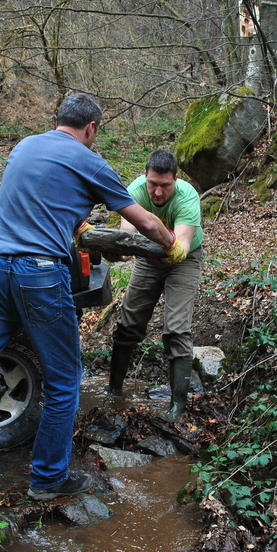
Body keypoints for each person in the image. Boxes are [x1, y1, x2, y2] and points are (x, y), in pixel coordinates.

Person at [0, 94, 185, 514]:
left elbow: (38, 198)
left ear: (58, 120)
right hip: (38, 274)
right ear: (91, 127)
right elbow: (146, 221)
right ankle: (47, 479)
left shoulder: (24, 146)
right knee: (64, 380)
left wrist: (75, 223)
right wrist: (172, 247)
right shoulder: (88, 160)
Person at [107, 149, 203, 422]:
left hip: (184, 259)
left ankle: (176, 408)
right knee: (128, 322)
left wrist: (158, 238)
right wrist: (118, 252)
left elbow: (181, 247)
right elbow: (127, 235)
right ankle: (113, 390)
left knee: (176, 329)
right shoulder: (135, 191)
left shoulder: (187, 197)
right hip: (148, 256)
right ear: (145, 176)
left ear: (176, 179)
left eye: (165, 185)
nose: (158, 192)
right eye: (153, 184)